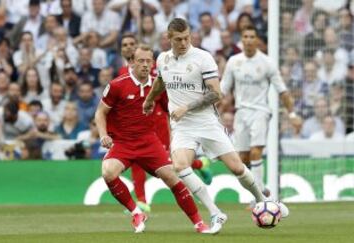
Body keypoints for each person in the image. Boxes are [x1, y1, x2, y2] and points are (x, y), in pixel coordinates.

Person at [143, 18, 289, 234]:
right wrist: (150, 99)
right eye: (178, 39)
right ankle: (215, 212)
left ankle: (264, 200)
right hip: (182, 126)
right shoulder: (163, 59)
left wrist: (186, 107)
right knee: (180, 166)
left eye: (187, 38)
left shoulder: (203, 58)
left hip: (207, 123)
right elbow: (161, 82)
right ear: (169, 38)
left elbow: (216, 94)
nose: (184, 43)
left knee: (238, 168)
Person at [95, 44, 211, 234]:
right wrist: (103, 135)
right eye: (141, 61)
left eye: (149, 61)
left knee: (174, 178)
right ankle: (136, 212)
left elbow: (171, 111)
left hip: (149, 142)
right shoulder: (117, 85)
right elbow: (100, 113)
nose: (145, 65)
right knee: (108, 172)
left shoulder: (158, 85)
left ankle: (199, 223)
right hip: (123, 142)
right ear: (132, 62)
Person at [220, 26, 299, 200]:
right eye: (245, 36)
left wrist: (292, 115)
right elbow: (223, 89)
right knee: (242, 159)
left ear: (257, 40)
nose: (248, 40)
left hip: (260, 111)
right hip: (240, 112)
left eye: (252, 36)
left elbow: (282, 91)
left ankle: (259, 197)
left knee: (256, 152)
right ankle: (258, 189)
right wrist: (214, 108)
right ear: (241, 40)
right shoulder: (234, 61)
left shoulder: (267, 63)